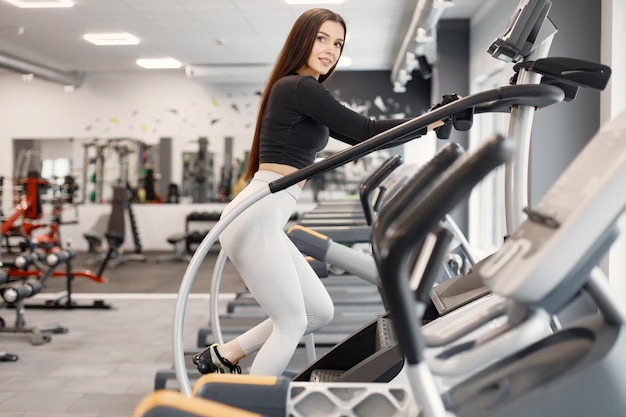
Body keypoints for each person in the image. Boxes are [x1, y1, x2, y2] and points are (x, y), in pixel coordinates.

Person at [193, 7, 435, 377]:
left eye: (337, 43)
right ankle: (244, 404)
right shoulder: (299, 86)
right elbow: (367, 129)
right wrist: (433, 119)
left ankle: (224, 355)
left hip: (265, 216)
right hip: (258, 214)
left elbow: (361, 138)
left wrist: (430, 121)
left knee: (318, 312)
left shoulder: (300, 90)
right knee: (290, 323)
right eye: (322, 39)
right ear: (302, 40)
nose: (330, 50)